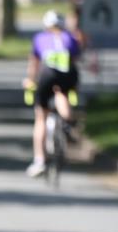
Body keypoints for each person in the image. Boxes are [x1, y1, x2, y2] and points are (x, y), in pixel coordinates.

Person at [23, 10, 80, 177]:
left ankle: (39, 160)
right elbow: (75, 59)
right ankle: (67, 123)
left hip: (47, 74)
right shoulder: (70, 38)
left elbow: (34, 62)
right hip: (68, 73)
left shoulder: (40, 38)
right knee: (62, 93)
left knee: (41, 117)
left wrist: (30, 80)